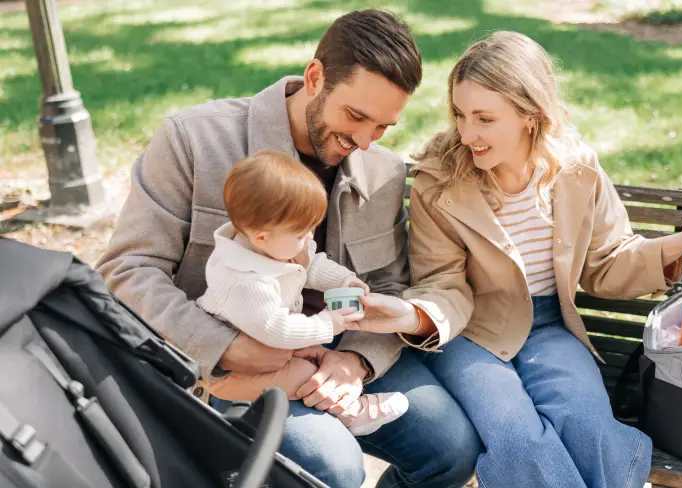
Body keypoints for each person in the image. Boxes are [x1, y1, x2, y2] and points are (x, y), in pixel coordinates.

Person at [95, 10, 481, 488]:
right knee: (335, 467)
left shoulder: (382, 172)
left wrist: (355, 362)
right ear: (315, 77)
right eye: (355, 116)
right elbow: (128, 269)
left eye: (383, 127)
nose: (363, 141)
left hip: (334, 347)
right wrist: (226, 348)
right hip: (219, 363)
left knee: (451, 450)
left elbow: (388, 286)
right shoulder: (193, 139)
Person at [357, 31, 682, 488]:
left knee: (591, 432)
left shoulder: (577, 170)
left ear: (530, 116)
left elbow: (605, 264)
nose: (467, 133)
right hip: (470, 335)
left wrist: (678, 244)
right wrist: (415, 314)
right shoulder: (440, 182)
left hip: (550, 329)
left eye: (484, 118)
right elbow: (443, 284)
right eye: (459, 114)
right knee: (519, 443)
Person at [196, 150, 409, 436]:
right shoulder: (244, 280)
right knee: (303, 373)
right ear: (260, 236)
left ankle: (338, 391)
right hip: (234, 372)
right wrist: (328, 323)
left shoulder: (277, 245)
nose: (309, 239)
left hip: (266, 343)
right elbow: (276, 329)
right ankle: (351, 412)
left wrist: (343, 280)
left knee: (314, 353)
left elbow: (312, 264)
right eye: (301, 234)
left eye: (312, 229)